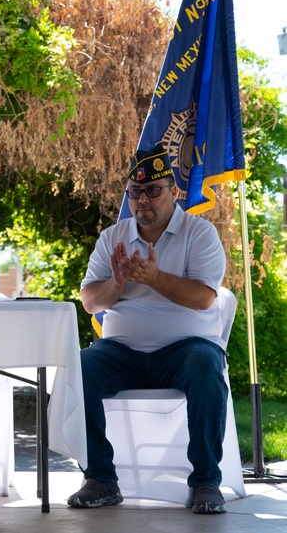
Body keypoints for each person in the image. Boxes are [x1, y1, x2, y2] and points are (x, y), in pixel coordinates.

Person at [67, 144, 228, 514]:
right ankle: (101, 478)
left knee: (207, 366)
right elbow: (91, 302)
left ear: (174, 191)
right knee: (78, 368)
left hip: (187, 348)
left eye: (153, 190)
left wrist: (155, 278)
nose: (143, 199)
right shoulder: (113, 237)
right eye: (135, 192)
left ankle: (206, 481)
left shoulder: (198, 233)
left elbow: (204, 298)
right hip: (122, 350)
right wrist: (117, 283)